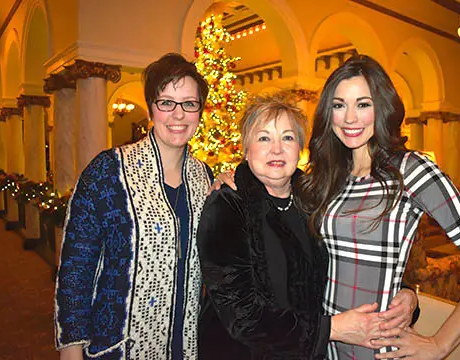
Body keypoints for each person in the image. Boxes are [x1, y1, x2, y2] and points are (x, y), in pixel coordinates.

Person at [294, 54, 460, 359]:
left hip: (379, 349)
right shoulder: (328, 176)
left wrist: (440, 344)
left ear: (382, 108)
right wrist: (235, 179)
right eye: (339, 105)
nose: (349, 118)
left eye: (363, 104)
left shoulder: (411, 169)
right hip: (327, 344)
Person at [197, 94, 418, 359]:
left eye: (288, 138)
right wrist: (331, 329)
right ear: (246, 149)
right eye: (264, 138)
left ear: (300, 148)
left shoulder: (317, 201)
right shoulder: (228, 205)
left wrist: (406, 293)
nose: (277, 149)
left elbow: (353, 260)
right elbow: (242, 316)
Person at [54, 53, 213, 360]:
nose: (178, 114)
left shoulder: (203, 177)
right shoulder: (107, 172)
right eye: (166, 102)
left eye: (189, 104)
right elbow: (76, 269)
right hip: (118, 346)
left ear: (200, 111)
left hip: (186, 344)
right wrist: (71, 350)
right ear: (151, 107)